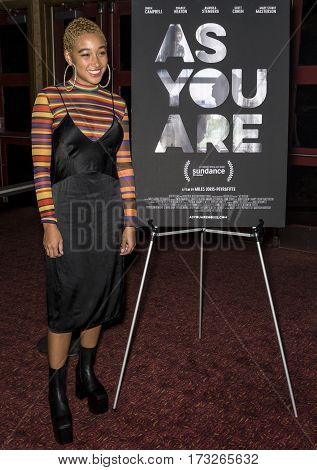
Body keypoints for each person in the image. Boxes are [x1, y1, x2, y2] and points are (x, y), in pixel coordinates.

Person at [31, 17, 137, 445]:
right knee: (66, 302)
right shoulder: (50, 99)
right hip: (67, 213)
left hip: (108, 212)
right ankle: (56, 388)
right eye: (86, 54)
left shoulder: (118, 104)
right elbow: (40, 168)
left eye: (102, 52)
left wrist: (130, 219)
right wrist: (48, 223)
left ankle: (86, 372)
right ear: (69, 57)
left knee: (101, 297)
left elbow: (126, 166)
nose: (96, 62)